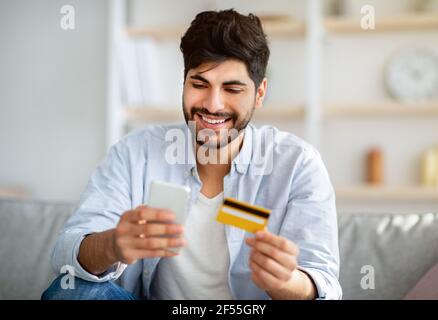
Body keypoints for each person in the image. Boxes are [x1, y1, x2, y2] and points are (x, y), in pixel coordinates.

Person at [42, 9, 342, 300]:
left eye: (232, 89)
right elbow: (65, 255)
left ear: (260, 93)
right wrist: (112, 245)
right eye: (199, 84)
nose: (213, 104)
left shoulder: (297, 164)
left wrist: (288, 283)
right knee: (71, 290)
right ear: (184, 82)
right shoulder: (135, 153)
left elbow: (324, 283)